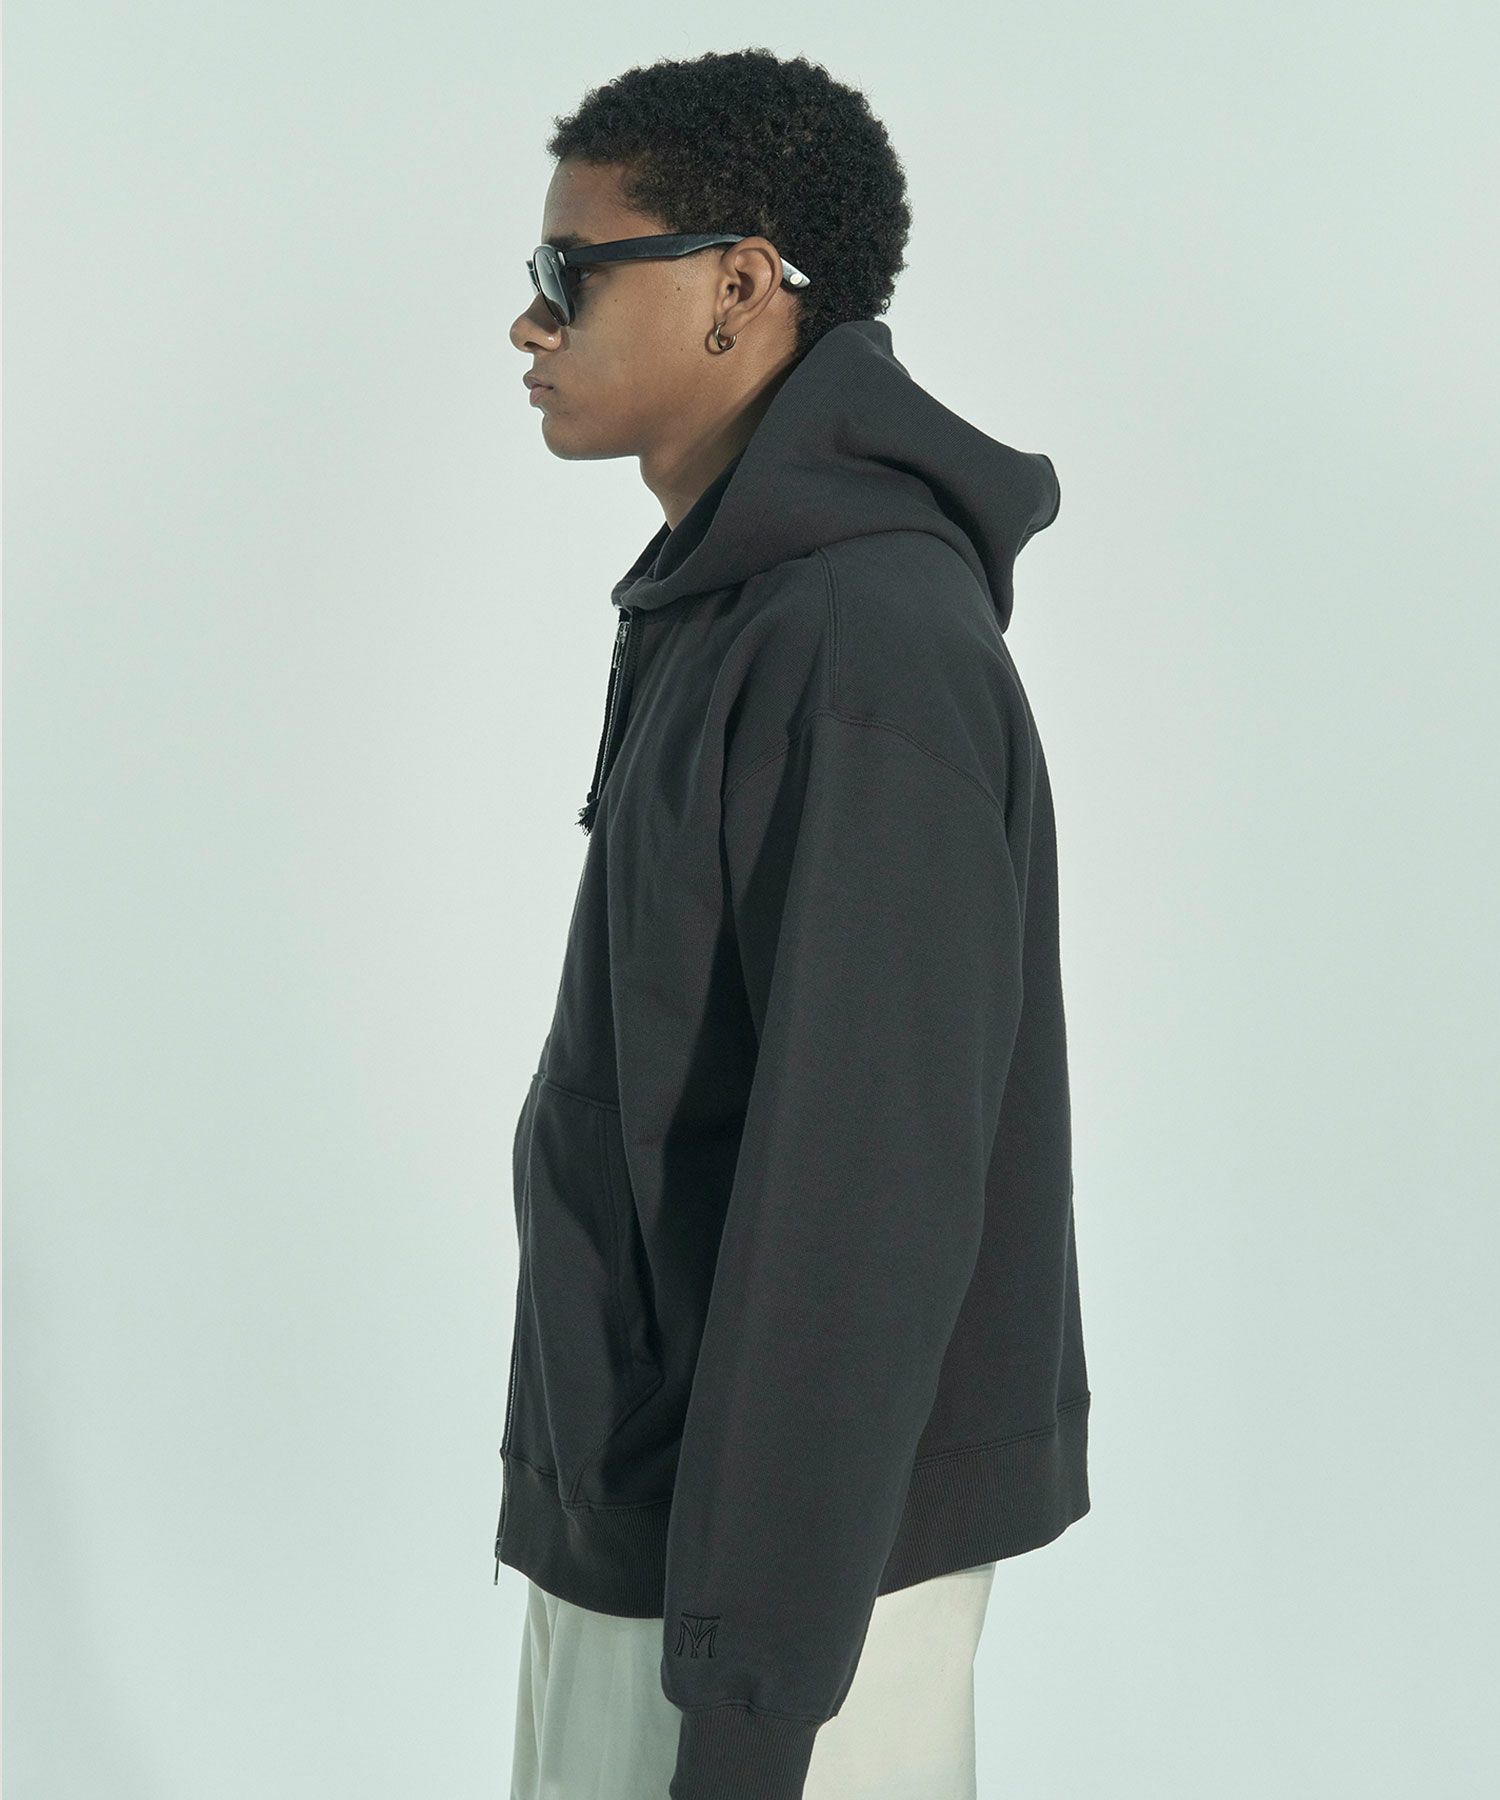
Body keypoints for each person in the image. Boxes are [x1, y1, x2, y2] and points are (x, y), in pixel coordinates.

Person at [498, 47, 1091, 1800]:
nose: (529, 322)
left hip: (792, 1609)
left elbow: (863, 1205)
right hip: (665, 1536)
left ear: (738, 285)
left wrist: (752, 1705)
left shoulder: (861, 647)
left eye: (569, 272)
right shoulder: (730, 607)